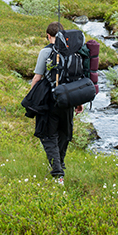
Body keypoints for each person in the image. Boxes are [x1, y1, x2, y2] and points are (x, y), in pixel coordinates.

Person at [30, 22, 83, 185]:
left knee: (49, 134)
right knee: (64, 134)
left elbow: (37, 77)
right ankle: (59, 164)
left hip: (49, 101)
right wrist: (78, 102)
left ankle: (57, 173)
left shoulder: (45, 52)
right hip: (68, 100)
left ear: (48, 35)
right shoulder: (74, 52)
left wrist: (32, 97)